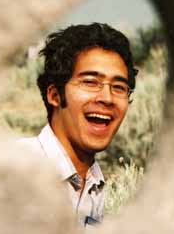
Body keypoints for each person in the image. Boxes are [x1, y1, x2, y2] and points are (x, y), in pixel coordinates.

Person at [18, 23, 138, 226]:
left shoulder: (95, 187)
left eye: (119, 87)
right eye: (90, 82)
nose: (107, 98)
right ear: (55, 95)